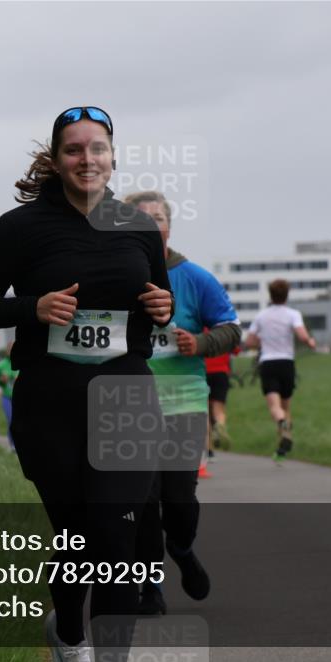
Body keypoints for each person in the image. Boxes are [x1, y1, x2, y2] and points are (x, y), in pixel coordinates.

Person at [0, 106, 173, 662]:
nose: (87, 159)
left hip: (125, 395)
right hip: (50, 402)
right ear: (56, 161)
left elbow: (158, 308)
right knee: (77, 533)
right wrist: (34, 307)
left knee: (117, 535)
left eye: (97, 148)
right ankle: (70, 633)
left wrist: (161, 307)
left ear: (112, 156)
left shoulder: (138, 226)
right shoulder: (21, 228)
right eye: (74, 149)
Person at [124, 190, 241, 617]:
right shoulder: (115, 277)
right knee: (142, 504)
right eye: (141, 218)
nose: (151, 224)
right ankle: (150, 588)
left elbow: (232, 328)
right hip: (131, 408)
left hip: (185, 405)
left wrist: (202, 342)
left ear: (168, 227)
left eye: (157, 218)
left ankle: (183, 548)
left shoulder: (195, 278)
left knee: (180, 502)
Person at [245, 279, 317, 463]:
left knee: (275, 407)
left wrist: (265, 341)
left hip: (268, 363)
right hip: (287, 363)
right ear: (287, 294)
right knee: (286, 407)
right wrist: (310, 341)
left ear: (270, 294)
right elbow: (302, 335)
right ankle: (283, 446)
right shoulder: (293, 314)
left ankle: (282, 430)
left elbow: (250, 341)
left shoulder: (262, 316)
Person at [205, 348, 236, 452]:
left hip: (203, 373)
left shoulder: (198, 331)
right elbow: (236, 350)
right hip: (221, 373)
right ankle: (219, 426)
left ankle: (209, 450)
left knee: (205, 413)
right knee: (219, 411)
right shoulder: (223, 332)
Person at [0, 342, 19, 450]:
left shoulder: (22, 361)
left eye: (13, 348)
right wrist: (1, 380)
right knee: (10, 420)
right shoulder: (1, 365)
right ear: (7, 351)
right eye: (9, 348)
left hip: (20, 398)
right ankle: (12, 445)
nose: (11, 350)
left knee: (20, 422)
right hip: (6, 397)